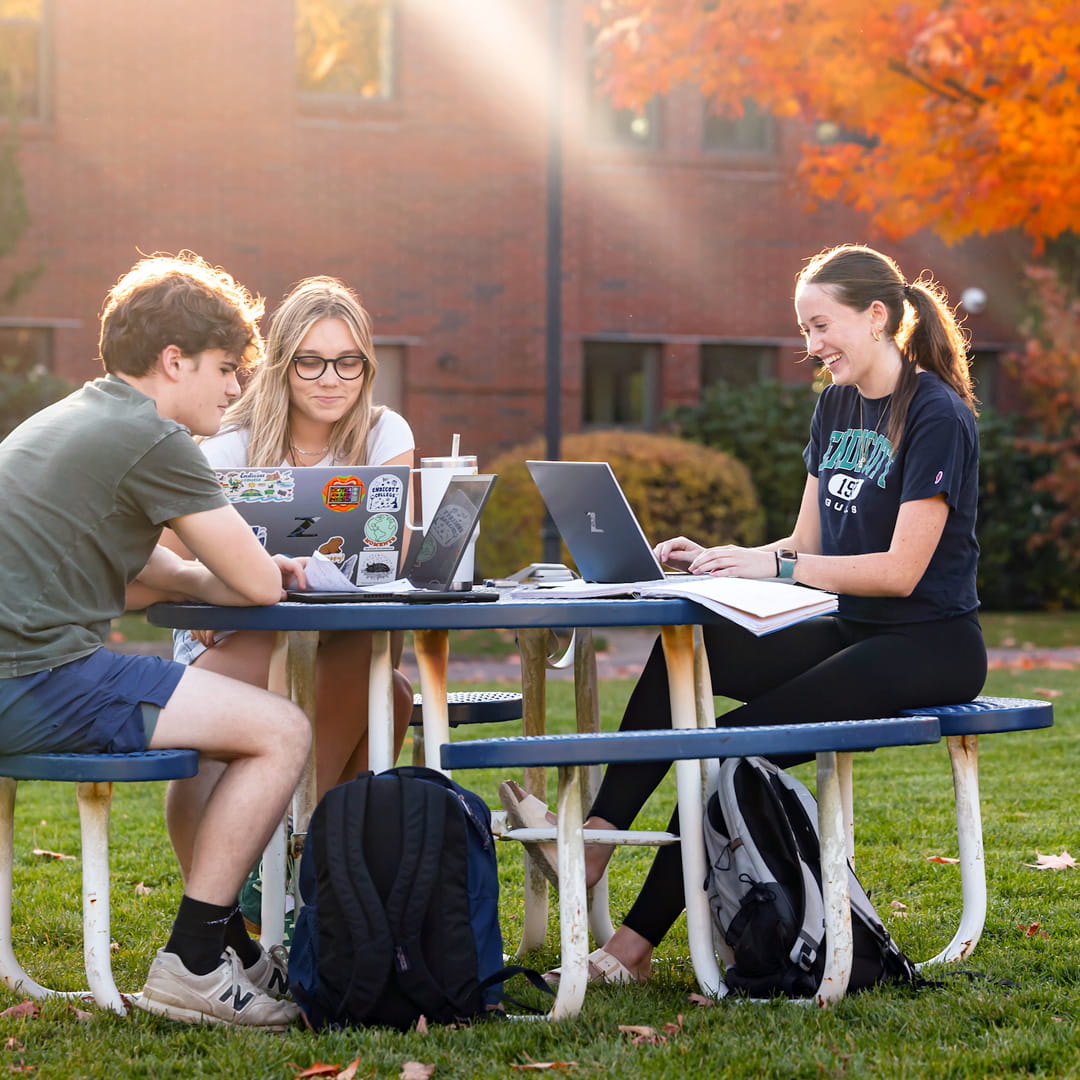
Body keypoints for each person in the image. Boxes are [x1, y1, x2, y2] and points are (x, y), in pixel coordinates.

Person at [524, 243, 987, 986]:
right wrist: (723, 556)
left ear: (876, 317)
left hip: (928, 643)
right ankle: (599, 838)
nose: (812, 347)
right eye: (803, 330)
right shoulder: (836, 405)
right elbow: (805, 544)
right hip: (853, 627)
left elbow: (900, 573)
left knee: (733, 741)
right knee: (694, 647)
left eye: (821, 325)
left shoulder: (936, 414)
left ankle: (631, 949)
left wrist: (772, 566)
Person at [0, 252, 312, 1028]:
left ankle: (228, 945)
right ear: (174, 361)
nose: (237, 387)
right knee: (280, 729)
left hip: (22, 672)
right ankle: (197, 960)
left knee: (228, 727)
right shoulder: (152, 439)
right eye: (226, 368)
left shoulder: (78, 416)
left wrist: (218, 576)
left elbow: (146, 575)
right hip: (32, 681)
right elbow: (260, 588)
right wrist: (246, 571)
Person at [164, 277, 415, 825]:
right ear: (282, 365)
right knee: (384, 686)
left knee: (385, 680)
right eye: (311, 362)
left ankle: (298, 851)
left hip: (344, 629)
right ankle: (295, 848)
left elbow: (389, 560)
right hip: (241, 630)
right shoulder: (231, 443)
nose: (331, 379)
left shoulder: (382, 433)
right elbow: (167, 559)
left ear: (366, 368)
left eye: (348, 362)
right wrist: (210, 589)